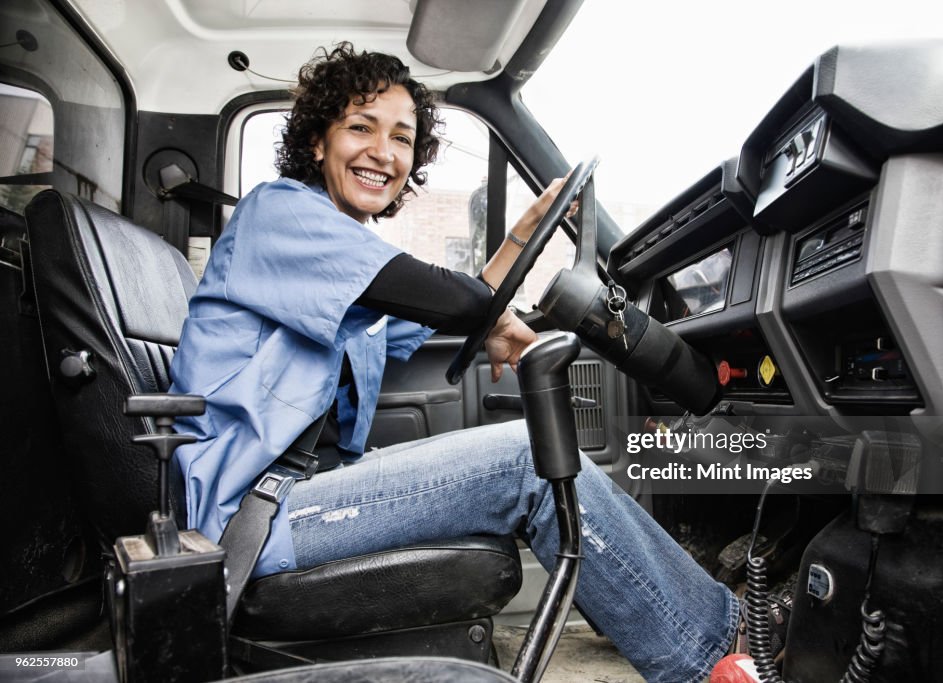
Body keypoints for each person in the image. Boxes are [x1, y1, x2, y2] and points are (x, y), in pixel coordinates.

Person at [169, 42, 737, 682]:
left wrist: (519, 241)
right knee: (528, 461)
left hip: (297, 492)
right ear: (316, 143)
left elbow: (419, 325)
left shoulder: (337, 256)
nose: (383, 151)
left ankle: (694, 631)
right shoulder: (279, 212)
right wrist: (488, 315)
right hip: (253, 517)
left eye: (402, 138)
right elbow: (446, 299)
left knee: (524, 457)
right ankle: (715, 660)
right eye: (360, 126)